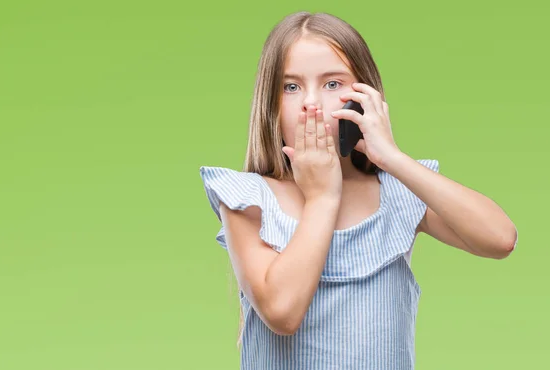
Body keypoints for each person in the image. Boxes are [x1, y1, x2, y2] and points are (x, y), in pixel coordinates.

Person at [198, 11, 518, 370]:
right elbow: (283, 313)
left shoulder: (397, 193)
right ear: (270, 105)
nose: (312, 103)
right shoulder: (248, 198)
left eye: (332, 84)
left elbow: (500, 238)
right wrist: (322, 196)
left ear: (364, 98)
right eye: (291, 87)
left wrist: (393, 158)